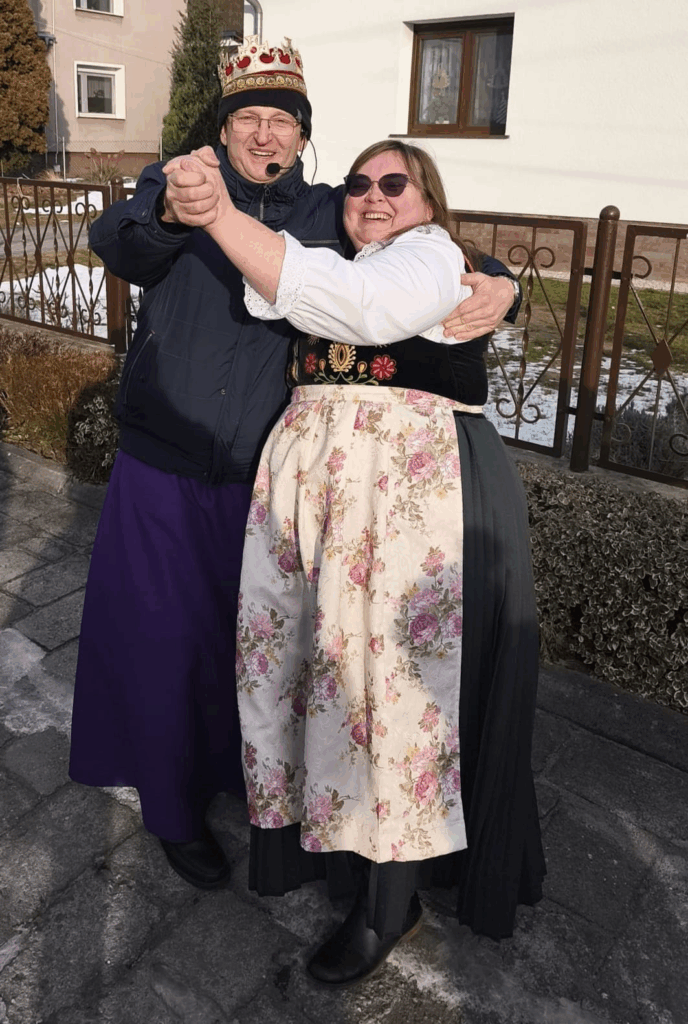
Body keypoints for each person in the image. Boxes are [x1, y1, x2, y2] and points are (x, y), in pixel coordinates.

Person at [68, 35, 522, 892]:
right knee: (162, 647)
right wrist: (171, 210)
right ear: (224, 128)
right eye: (248, 118)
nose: (264, 134)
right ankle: (171, 811)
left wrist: (503, 284)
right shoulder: (185, 181)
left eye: (282, 120)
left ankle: (245, 783)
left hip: (264, 480)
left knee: (247, 649)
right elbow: (119, 242)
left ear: (302, 135)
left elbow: (417, 247)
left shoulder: (325, 213)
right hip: (164, 462)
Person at [167, 134, 545, 984]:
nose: (373, 194)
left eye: (396, 183)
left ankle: (388, 902)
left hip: (405, 496)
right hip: (328, 499)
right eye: (358, 184)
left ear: (430, 203)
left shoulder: (432, 257)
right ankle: (338, 848)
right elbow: (294, 286)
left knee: (391, 692)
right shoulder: (348, 260)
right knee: (313, 673)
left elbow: (366, 310)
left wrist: (217, 212)